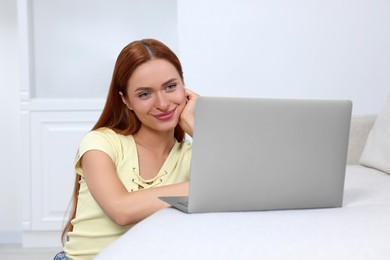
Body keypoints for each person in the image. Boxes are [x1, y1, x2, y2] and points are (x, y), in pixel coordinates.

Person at [54, 39, 198, 260]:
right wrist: (202, 189)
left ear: (184, 87)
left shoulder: (190, 155)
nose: (162, 103)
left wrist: (197, 128)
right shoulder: (100, 143)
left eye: (170, 87)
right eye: (144, 94)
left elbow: (239, 183)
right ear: (126, 100)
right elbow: (121, 210)